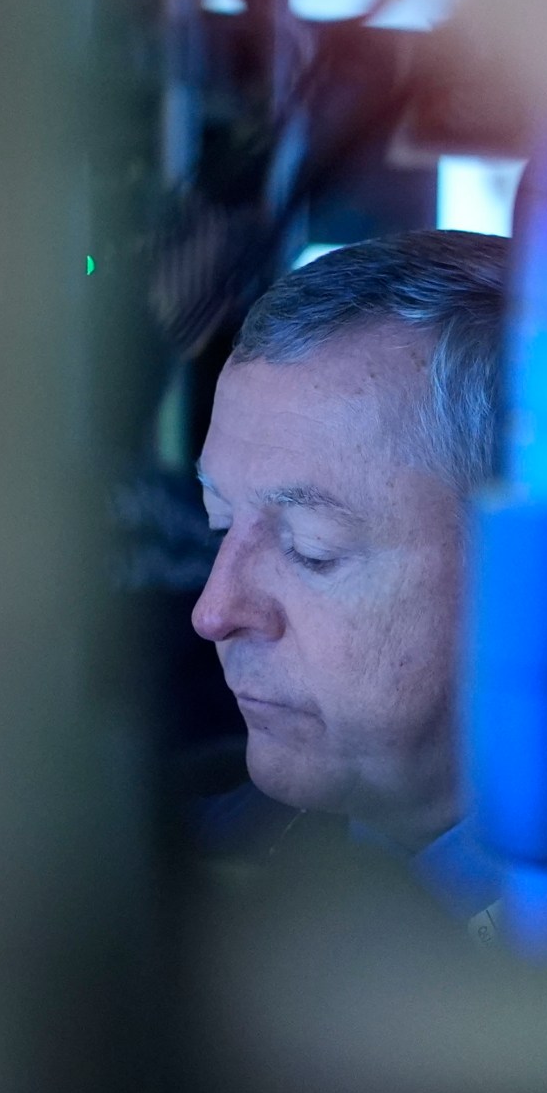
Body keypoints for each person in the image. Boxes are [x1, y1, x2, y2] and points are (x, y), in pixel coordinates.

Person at [189, 229, 510, 933]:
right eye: (219, 521)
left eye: (312, 551)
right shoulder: (181, 877)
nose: (215, 612)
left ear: (534, 571)